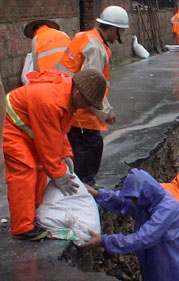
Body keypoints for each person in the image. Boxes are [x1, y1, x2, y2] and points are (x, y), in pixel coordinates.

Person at [3, 69, 107, 240]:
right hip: (13, 128)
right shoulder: (50, 102)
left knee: (41, 169)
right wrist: (59, 173)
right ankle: (22, 228)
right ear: (78, 92)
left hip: (28, 128)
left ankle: (33, 215)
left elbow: (57, 131)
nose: (86, 107)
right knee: (24, 172)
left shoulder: (66, 98)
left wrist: (66, 153)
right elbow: (47, 143)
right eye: (87, 102)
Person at [81, 168, 179, 281]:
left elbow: (143, 238)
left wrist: (105, 241)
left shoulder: (167, 209)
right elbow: (122, 202)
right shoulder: (146, 202)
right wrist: (98, 194)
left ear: (145, 193)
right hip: (157, 274)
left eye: (135, 199)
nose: (133, 202)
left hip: (175, 275)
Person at [56, 5, 129, 187]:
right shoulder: (96, 48)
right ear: (112, 29)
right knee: (90, 151)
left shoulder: (84, 37)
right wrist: (106, 112)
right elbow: (90, 86)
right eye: (120, 31)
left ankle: (77, 188)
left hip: (70, 107)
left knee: (75, 152)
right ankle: (85, 190)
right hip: (82, 114)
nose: (121, 36)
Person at [0, 74, 29, 281]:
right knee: (26, 173)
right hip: (15, 135)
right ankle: (22, 226)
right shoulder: (53, 99)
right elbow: (48, 137)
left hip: (13, 131)